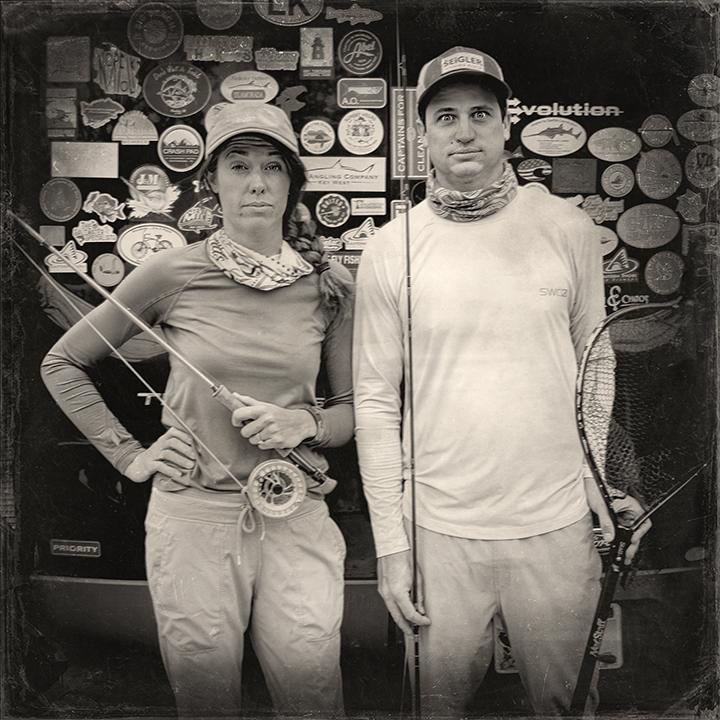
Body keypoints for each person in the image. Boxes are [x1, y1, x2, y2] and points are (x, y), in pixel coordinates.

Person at [352, 46, 650, 718]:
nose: (464, 131)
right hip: (438, 533)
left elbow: (595, 361)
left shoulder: (567, 228)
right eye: (446, 116)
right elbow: (374, 402)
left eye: (480, 113)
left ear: (505, 124)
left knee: (565, 704)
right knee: (437, 706)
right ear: (423, 134)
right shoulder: (390, 249)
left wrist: (595, 482)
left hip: (557, 528)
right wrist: (392, 548)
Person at [41, 103, 354, 718]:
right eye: (239, 165)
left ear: (292, 182)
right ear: (212, 180)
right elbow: (63, 362)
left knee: (313, 697)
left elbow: (351, 413)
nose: (257, 182)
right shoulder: (172, 271)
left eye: (272, 166)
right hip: (194, 519)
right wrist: (131, 457)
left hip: (296, 516)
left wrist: (307, 423)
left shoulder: (329, 285)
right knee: (207, 701)